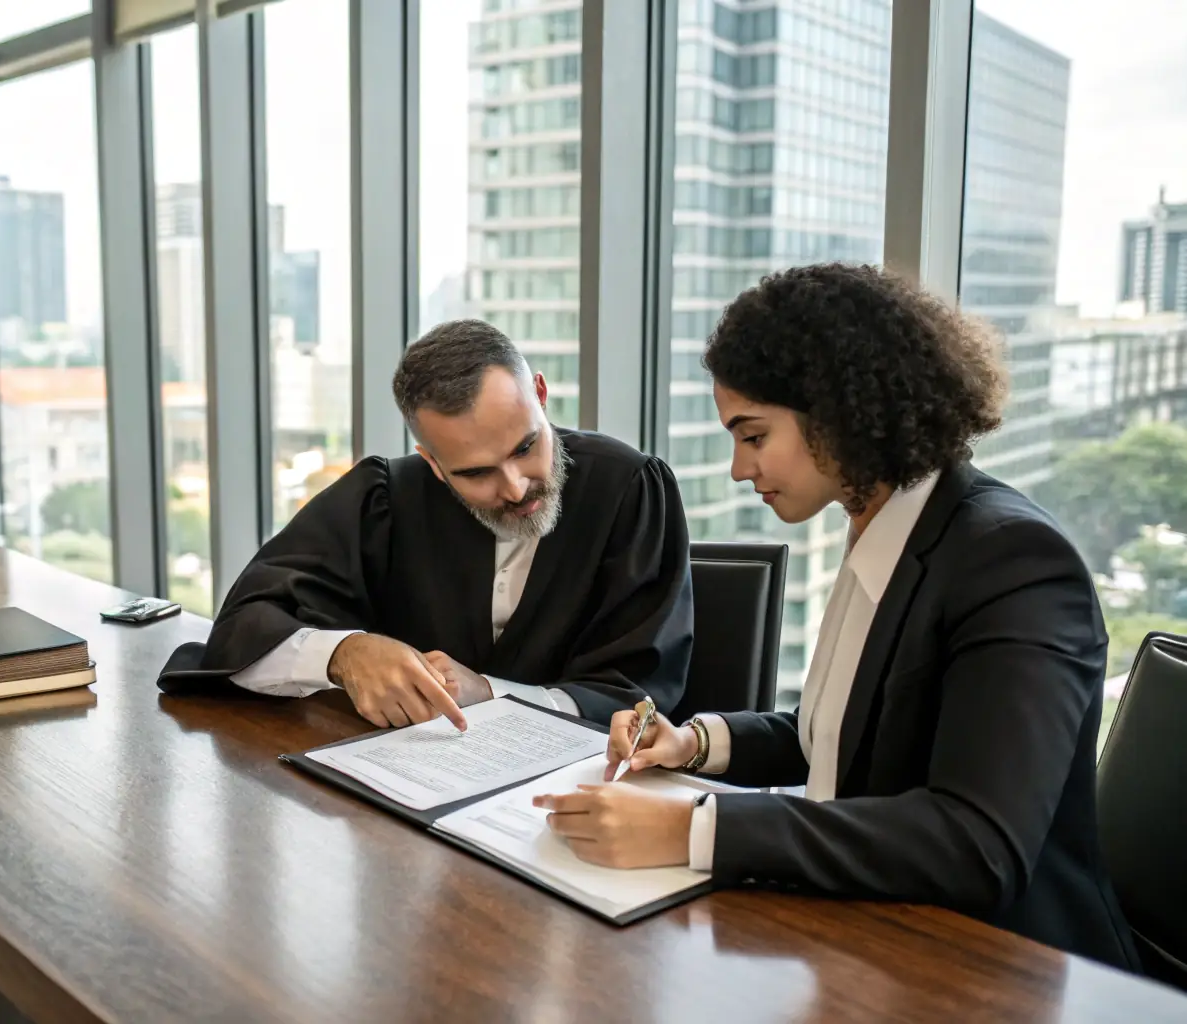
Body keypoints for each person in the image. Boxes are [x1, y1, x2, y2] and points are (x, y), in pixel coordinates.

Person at [534, 263, 1140, 972]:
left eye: (753, 436)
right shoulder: (880, 530)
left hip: (1001, 967)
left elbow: (976, 844)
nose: (737, 468)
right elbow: (843, 735)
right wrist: (695, 744)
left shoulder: (1012, 561)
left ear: (837, 413)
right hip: (871, 934)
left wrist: (695, 828)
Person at [156, 319, 693, 729]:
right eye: (476, 473)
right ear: (433, 463)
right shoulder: (386, 498)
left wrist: (490, 690)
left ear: (542, 395)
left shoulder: (631, 490)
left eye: (526, 446)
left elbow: (640, 696)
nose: (514, 486)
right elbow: (240, 629)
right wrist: (344, 654)